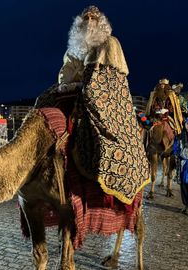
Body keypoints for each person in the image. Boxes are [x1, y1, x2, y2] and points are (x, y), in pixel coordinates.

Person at [36, 5, 149, 205]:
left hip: (101, 91)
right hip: (73, 89)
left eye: (93, 18)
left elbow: (106, 77)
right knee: (42, 100)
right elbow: (67, 69)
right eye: (85, 18)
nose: (89, 21)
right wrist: (66, 84)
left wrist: (87, 84)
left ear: (100, 23)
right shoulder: (73, 48)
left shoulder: (109, 43)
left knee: (94, 106)